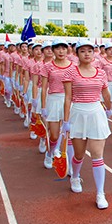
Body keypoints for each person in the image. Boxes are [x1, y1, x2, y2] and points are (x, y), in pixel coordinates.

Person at [62, 39, 112, 209]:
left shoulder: (100, 73)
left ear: (94, 53)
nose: (87, 54)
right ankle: (75, 176)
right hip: (78, 112)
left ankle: (100, 193)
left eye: (90, 51)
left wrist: (109, 109)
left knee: (98, 155)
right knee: (79, 154)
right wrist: (66, 120)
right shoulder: (71, 72)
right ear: (77, 54)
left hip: (96, 113)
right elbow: (68, 97)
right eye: (83, 51)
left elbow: (105, 93)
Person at [39, 39, 74, 170]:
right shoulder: (47, 66)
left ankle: (68, 163)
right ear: (53, 50)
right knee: (54, 135)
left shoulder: (73, 66)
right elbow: (43, 88)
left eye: (64, 48)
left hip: (69, 100)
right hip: (53, 99)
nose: (61, 51)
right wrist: (43, 106)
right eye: (58, 48)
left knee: (69, 135)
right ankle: (50, 153)